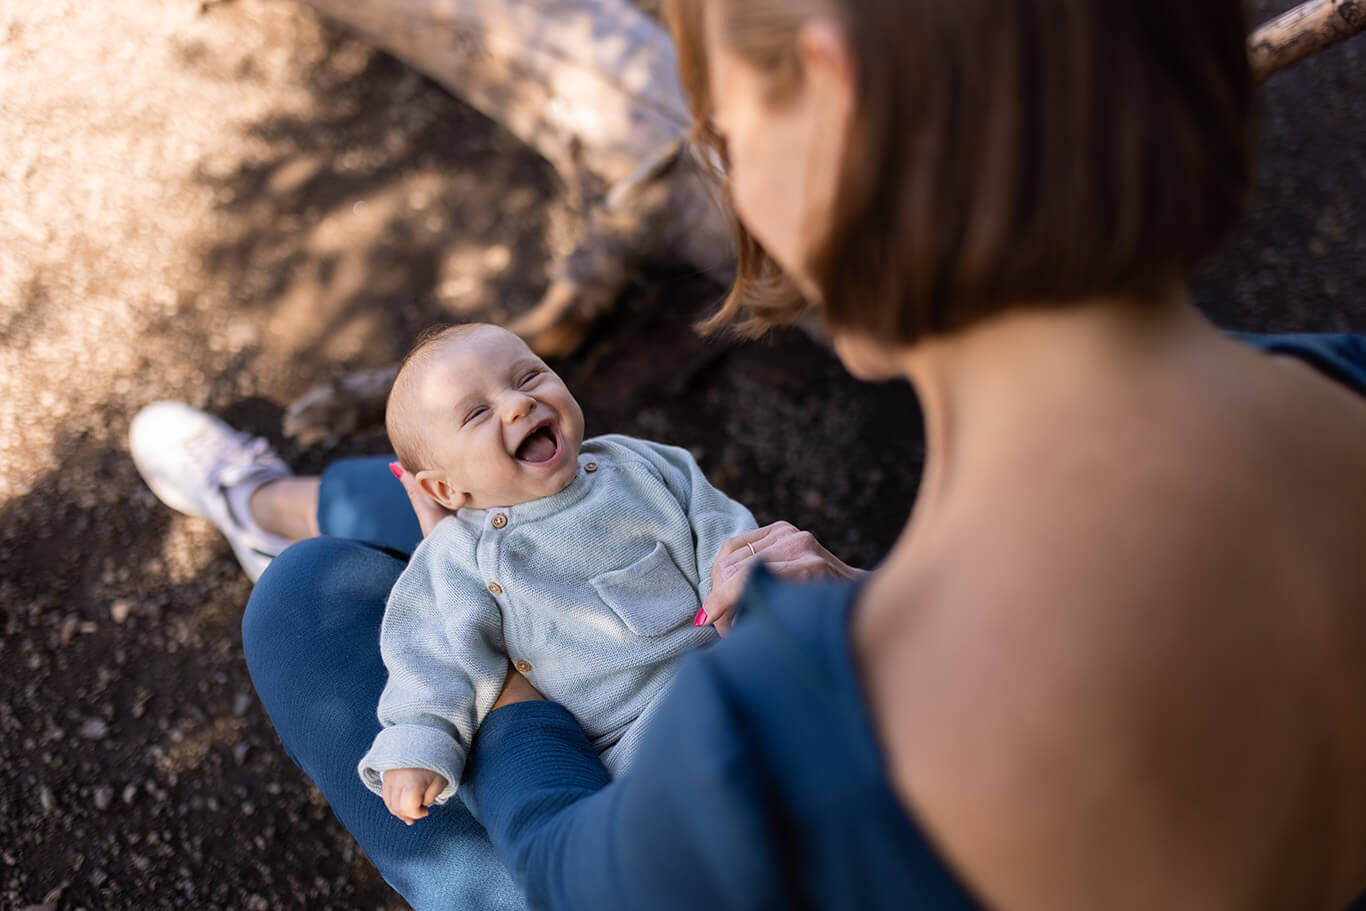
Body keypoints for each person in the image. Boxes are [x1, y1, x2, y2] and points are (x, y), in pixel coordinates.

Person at [128, 0, 1366, 907]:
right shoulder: (1339, 375)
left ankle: (289, 511)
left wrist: (502, 692)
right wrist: (874, 606)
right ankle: (322, 496)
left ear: (824, 107)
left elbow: (571, 875)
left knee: (309, 611)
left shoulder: (786, 721)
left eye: (717, 125)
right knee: (451, 514)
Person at [356, 322, 755, 824]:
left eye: (528, 377)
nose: (518, 404)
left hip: (731, 669)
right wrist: (419, 742)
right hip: (631, 745)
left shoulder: (639, 465)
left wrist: (746, 582)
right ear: (443, 490)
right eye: (478, 412)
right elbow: (432, 653)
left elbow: (721, 527)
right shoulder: (457, 556)